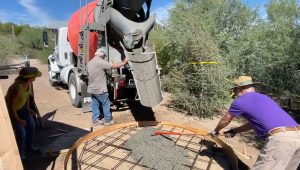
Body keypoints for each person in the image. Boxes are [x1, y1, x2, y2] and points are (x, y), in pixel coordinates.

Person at [211, 76, 300, 170]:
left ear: (240, 89)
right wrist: (234, 131)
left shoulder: (241, 101)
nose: (235, 93)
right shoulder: (264, 98)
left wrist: (216, 131)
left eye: (235, 91)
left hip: (282, 140)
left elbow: (225, 120)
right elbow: (253, 124)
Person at [5, 66, 42, 160]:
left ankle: (29, 147)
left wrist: (28, 108)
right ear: (28, 77)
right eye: (34, 76)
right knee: (21, 132)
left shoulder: (29, 84)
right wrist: (19, 120)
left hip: (21, 108)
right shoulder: (16, 88)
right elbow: (11, 106)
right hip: (11, 111)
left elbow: (26, 98)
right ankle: (20, 153)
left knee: (31, 125)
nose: (35, 77)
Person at [88, 48, 128, 126]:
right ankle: (108, 120)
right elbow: (113, 66)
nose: (104, 58)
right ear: (102, 55)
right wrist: (124, 62)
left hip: (92, 88)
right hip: (100, 89)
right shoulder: (100, 62)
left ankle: (95, 120)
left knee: (95, 103)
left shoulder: (90, 62)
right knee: (106, 103)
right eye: (104, 56)